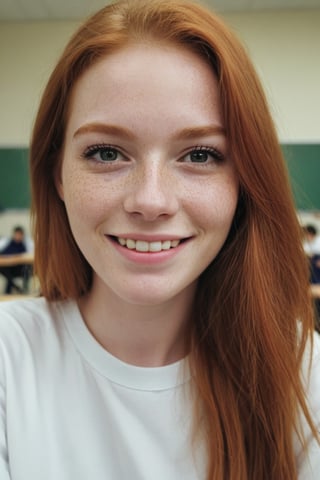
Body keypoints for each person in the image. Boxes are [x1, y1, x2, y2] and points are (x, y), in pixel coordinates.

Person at [0, 1, 319, 478]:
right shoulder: (10, 356)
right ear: (58, 175)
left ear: (245, 182)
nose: (150, 201)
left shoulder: (301, 372)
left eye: (201, 155)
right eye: (106, 152)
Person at [0, 225, 31, 293]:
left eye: (20, 234)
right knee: (5, 270)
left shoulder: (25, 244)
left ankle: (23, 290)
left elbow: (28, 256)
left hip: (20, 267)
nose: (18, 236)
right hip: (8, 267)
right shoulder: (7, 243)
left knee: (27, 268)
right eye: (17, 234)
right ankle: (15, 289)